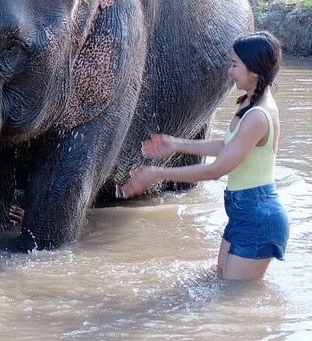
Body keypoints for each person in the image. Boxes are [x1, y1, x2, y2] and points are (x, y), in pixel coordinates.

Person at [119, 31, 290, 281]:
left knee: (234, 300)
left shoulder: (257, 115)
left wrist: (157, 173)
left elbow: (215, 170)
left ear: (254, 70)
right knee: (220, 283)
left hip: (258, 215)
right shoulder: (249, 103)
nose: (230, 71)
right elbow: (226, 147)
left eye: (234, 65)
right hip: (243, 210)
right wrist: (176, 144)